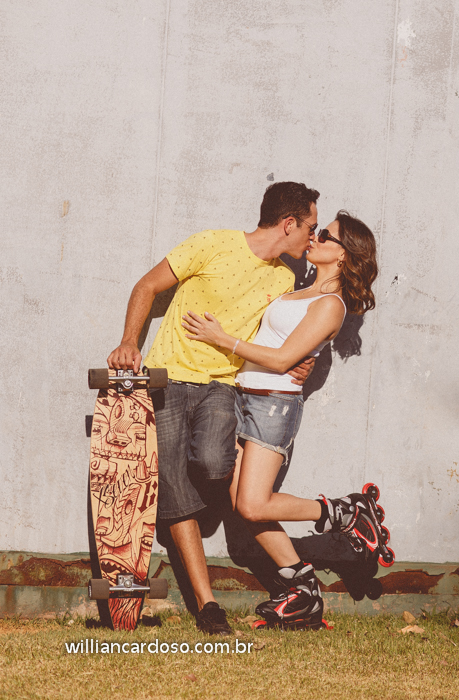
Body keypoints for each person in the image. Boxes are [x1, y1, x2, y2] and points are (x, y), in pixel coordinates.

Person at [107, 182, 319, 634]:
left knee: (212, 462)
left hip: (222, 387)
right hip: (166, 378)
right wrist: (129, 342)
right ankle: (207, 605)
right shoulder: (212, 243)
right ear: (288, 224)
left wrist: (305, 359)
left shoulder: (285, 278)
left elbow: (286, 330)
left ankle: (196, 496)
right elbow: (147, 285)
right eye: (310, 228)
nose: (312, 239)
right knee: (176, 490)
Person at [181, 211, 378, 628]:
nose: (317, 237)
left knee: (253, 505)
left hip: (274, 406)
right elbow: (276, 342)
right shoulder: (299, 289)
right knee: (242, 505)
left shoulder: (331, 305)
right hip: (244, 398)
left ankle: (345, 512)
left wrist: (222, 339)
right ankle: (303, 588)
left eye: (327, 235)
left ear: (344, 256)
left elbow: (284, 359)